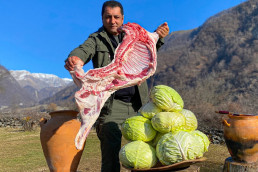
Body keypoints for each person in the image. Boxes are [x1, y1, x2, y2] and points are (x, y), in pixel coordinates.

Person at [65, 1, 169, 172]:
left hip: (139, 105)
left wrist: (159, 36)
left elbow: (145, 49)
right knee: (110, 156)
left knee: (145, 155)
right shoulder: (96, 39)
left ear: (122, 18)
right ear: (102, 18)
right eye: (108, 17)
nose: (112, 21)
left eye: (116, 17)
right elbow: (83, 50)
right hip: (112, 106)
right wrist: (74, 58)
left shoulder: (133, 33)